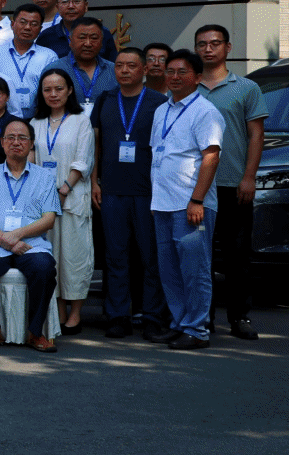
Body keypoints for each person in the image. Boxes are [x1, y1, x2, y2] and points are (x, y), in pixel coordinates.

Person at [193, 25, 265, 341]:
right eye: (202, 44)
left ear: (228, 47)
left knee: (237, 256)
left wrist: (249, 177)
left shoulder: (246, 88)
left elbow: (256, 135)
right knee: (199, 256)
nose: (208, 49)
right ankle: (202, 318)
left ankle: (240, 317)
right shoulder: (187, 86)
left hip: (233, 184)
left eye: (215, 43)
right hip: (196, 188)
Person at [148, 50, 223, 350]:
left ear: (198, 77)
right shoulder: (161, 110)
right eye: (170, 71)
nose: (174, 77)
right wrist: (155, 201)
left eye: (182, 72)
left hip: (191, 205)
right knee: (170, 270)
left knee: (195, 270)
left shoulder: (205, 111)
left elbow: (211, 156)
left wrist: (197, 200)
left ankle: (197, 329)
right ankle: (180, 324)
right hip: (163, 204)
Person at [91, 48, 168, 339]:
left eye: (131, 65)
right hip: (111, 190)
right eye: (120, 65)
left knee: (150, 257)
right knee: (116, 256)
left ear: (144, 70)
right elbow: (95, 144)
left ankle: (152, 317)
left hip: (148, 191)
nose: (124, 70)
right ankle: (118, 316)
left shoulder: (159, 103)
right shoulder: (106, 99)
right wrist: (94, 182)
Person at [0, 120, 60, 352]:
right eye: (10, 137)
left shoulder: (45, 177)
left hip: (31, 244)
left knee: (44, 268)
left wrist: (15, 236)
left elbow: (49, 219)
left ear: (31, 144)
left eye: (22, 138)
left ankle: (35, 333)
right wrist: (3, 239)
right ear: (2, 143)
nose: (16, 142)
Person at [31, 68, 95, 332]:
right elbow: (31, 160)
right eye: (47, 89)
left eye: (59, 88)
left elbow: (84, 160)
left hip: (72, 196)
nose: (53, 94)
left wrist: (64, 188)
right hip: (43, 201)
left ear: (69, 91)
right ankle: (57, 310)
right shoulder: (35, 123)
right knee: (52, 256)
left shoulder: (81, 121)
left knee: (74, 256)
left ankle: (76, 313)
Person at [0, 5, 59, 117]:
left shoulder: (49, 56)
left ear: (40, 29)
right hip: (2, 118)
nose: (28, 27)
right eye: (23, 22)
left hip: (38, 118)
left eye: (34, 24)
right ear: (12, 25)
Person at [35, 0, 119, 60]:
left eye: (76, 1)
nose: (71, 6)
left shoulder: (102, 33)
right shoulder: (46, 36)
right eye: (65, 2)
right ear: (57, 7)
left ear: (86, 6)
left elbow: (112, 66)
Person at [62, 19, 120, 106]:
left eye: (94, 38)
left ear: (102, 42)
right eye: (82, 38)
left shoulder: (115, 71)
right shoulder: (56, 69)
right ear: (70, 41)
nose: (88, 44)